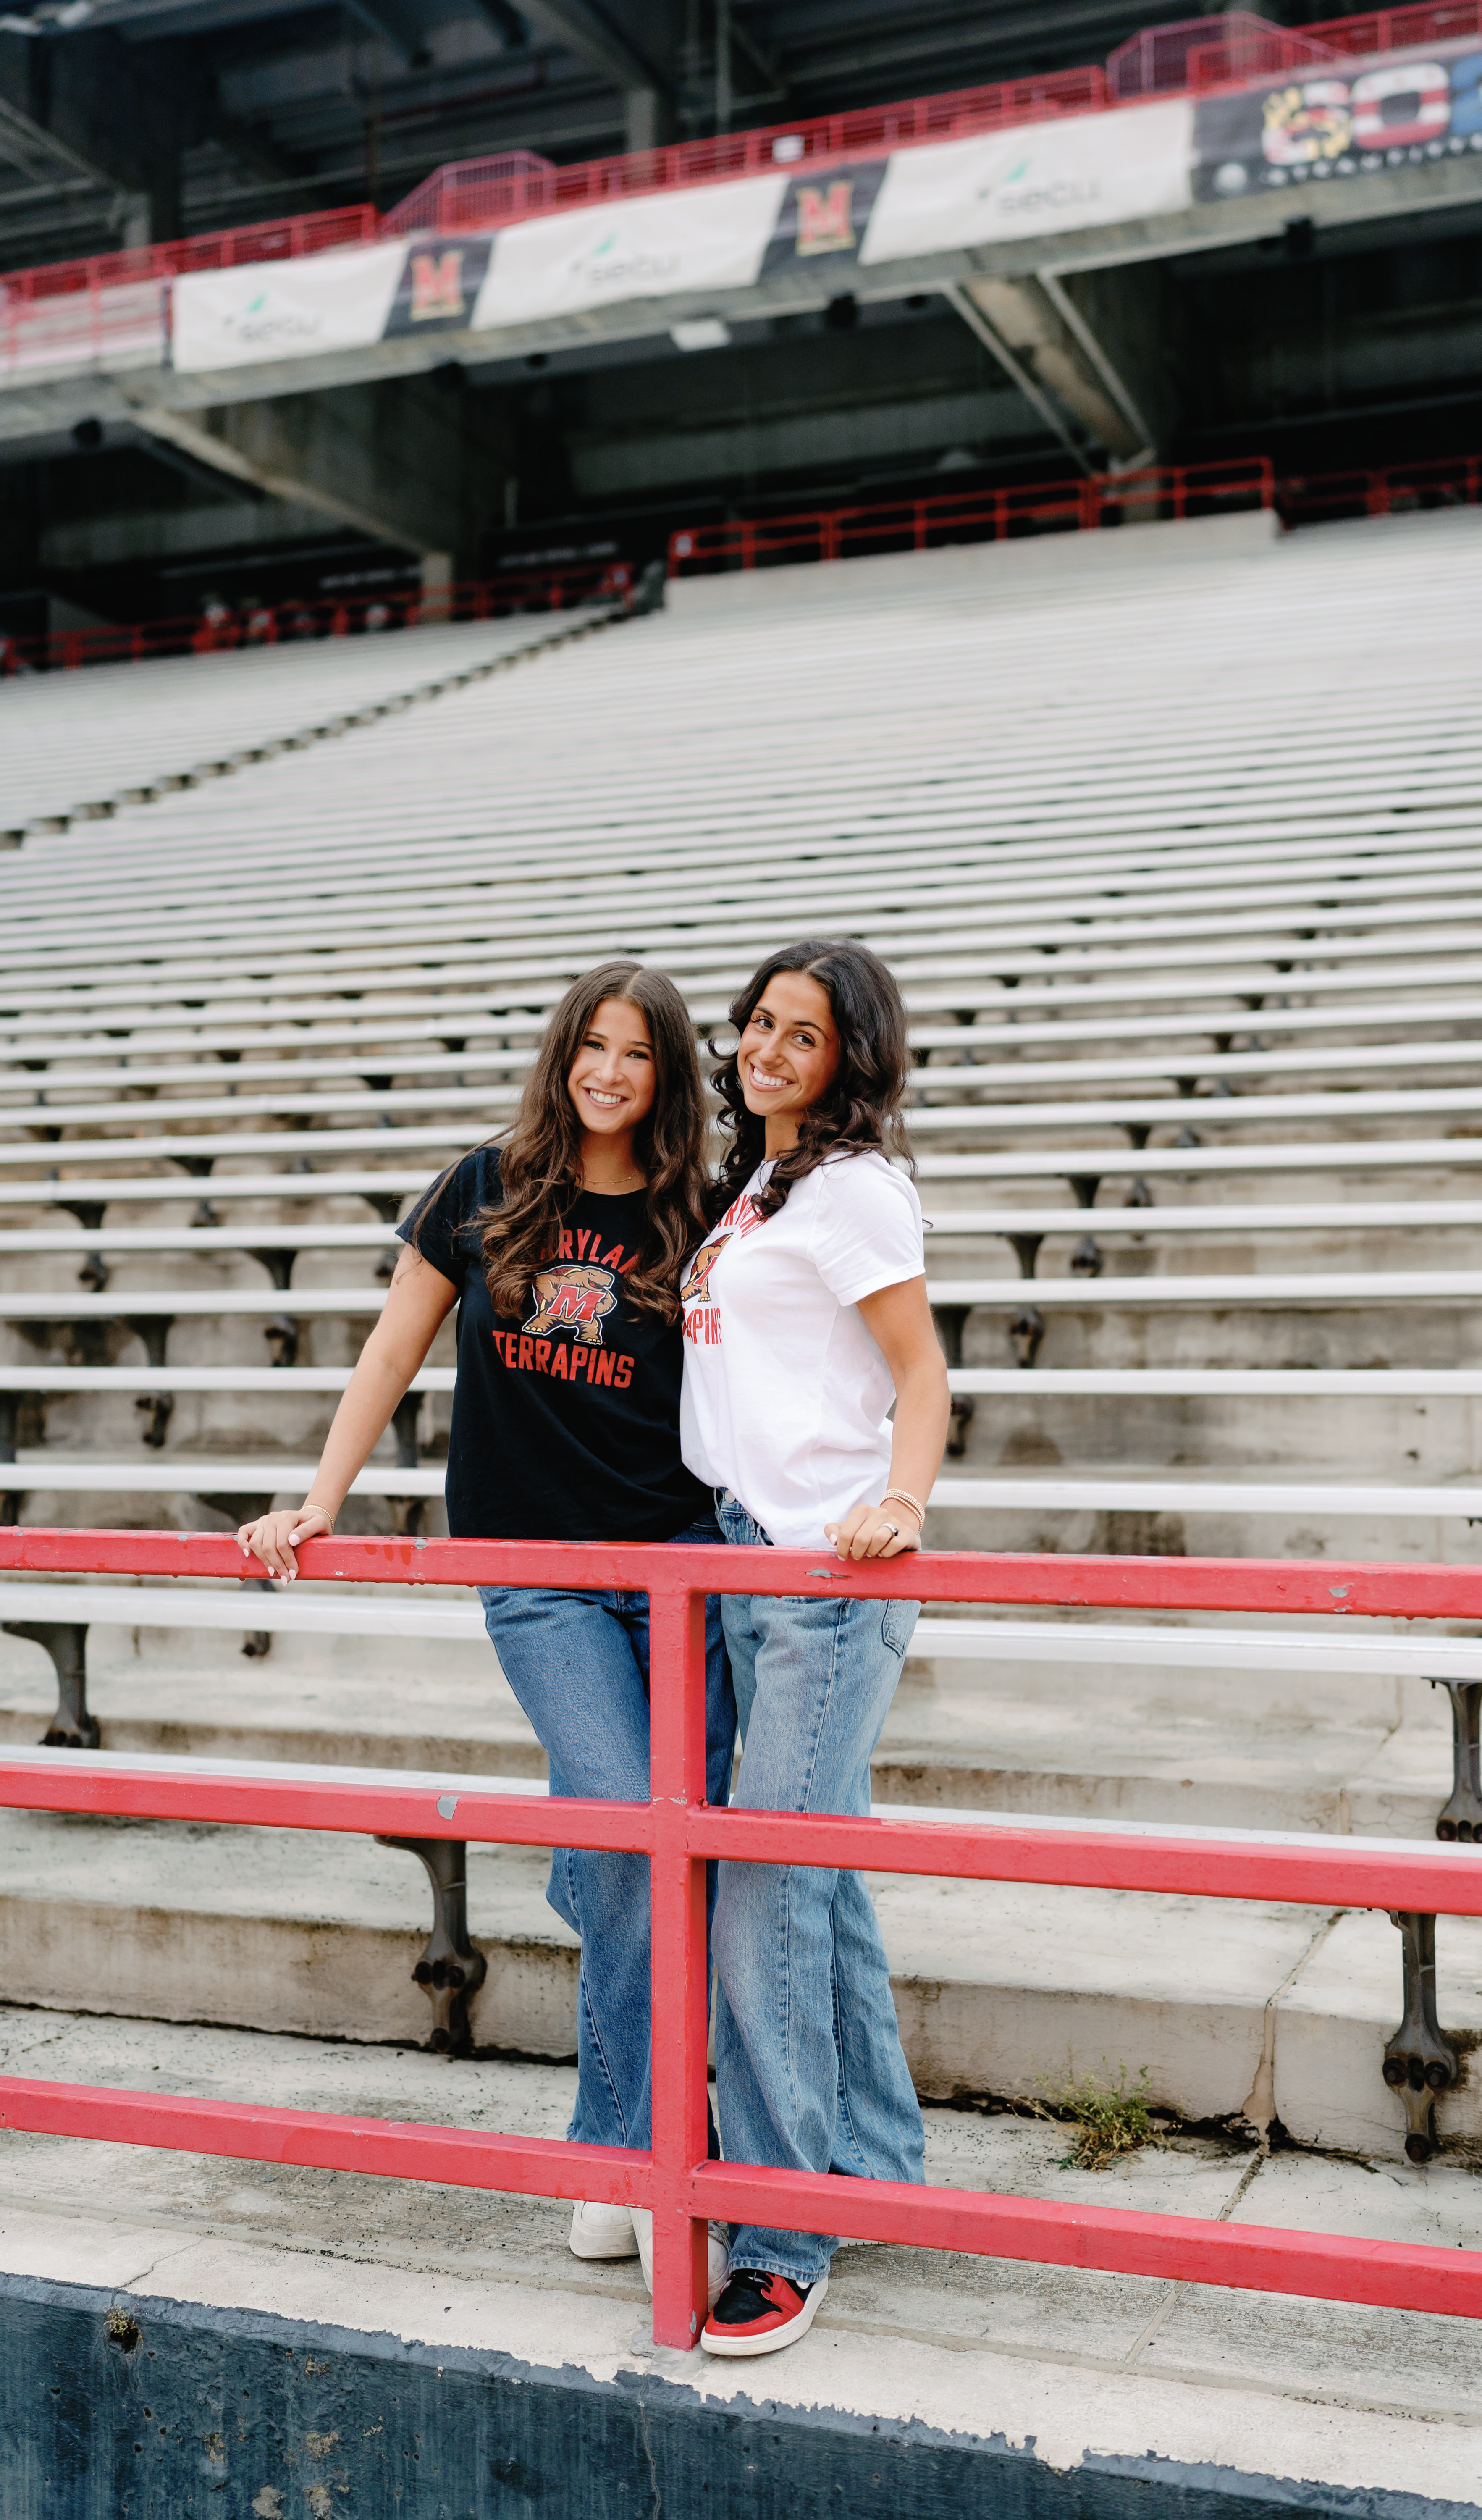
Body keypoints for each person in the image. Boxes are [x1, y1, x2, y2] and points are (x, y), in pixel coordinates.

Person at [237, 959, 735, 2304]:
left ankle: (629, 2151)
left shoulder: (703, 1202)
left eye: (638, 1053)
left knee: (648, 1851)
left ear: (670, 1069)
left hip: (682, 1564)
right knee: (632, 1822)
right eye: (592, 1046)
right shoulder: (486, 1185)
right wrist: (318, 1499)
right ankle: (628, 2161)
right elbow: (393, 1352)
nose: (611, 1073)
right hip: (540, 1577)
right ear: (562, 1055)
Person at [678, 937, 950, 2358]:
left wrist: (899, 1501)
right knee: (814, 1878)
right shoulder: (759, 1192)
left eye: (808, 1034)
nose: (773, 1049)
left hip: (823, 1577)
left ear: (852, 1058)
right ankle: (879, 2171)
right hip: (745, 1561)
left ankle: (781, 2234)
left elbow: (922, 1375)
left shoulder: (851, 1190)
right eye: (761, 1025)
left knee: (768, 1891)